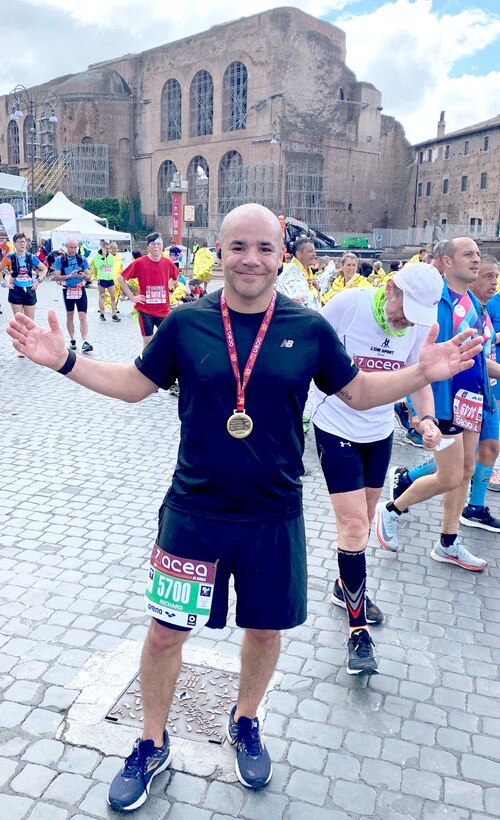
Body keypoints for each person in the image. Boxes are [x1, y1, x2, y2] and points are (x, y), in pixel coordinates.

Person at [6, 204, 481, 813]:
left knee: (264, 630)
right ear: (221, 253)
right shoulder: (187, 323)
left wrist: (422, 371)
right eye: (237, 247)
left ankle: (246, 720)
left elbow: (359, 392)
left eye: (263, 247)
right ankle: (151, 741)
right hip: (194, 512)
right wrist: (65, 360)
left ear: (281, 254)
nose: (250, 259)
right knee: (163, 634)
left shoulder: (308, 329)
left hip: (273, 514)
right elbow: (133, 384)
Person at [313, 262, 444, 675]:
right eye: (405, 309)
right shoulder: (347, 305)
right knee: (353, 528)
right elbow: (305, 348)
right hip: (334, 427)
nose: (407, 321)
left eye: (417, 317)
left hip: (379, 432)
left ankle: (345, 587)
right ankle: (357, 633)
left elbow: (418, 377)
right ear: (390, 287)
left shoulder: (420, 326)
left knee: (365, 522)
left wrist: (426, 420)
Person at [375, 237, 492, 570]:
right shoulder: (430, 301)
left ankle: (448, 542)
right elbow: (416, 359)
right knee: (450, 476)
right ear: (447, 261)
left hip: (471, 398)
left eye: (478, 255)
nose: (476, 259)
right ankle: (392, 509)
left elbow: (478, 353)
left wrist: (487, 394)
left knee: (466, 471)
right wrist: (416, 410)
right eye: (468, 254)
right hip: (442, 401)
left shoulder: (473, 302)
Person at [118, 233, 179, 349]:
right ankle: (146, 366)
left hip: (163, 310)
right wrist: (132, 297)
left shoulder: (168, 263)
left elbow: (176, 278)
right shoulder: (139, 262)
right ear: (148, 247)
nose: (156, 246)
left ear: (162, 246)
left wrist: (166, 286)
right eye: (153, 243)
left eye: (158, 243)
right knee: (148, 342)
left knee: (167, 341)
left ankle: (163, 366)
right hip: (146, 310)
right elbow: (121, 278)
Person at [0, 233, 47, 339]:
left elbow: (44, 269)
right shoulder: (9, 257)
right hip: (15, 289)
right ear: (14, 244)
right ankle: (20, 344)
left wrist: (38, 281)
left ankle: (29, 342)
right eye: (19, 242)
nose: (22, 244)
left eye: (23, 241)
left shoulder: (31, 257)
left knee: (30, 321)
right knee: (19, 320)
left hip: (29, 289)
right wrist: (4, 283)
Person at [53, 237, 93, 353]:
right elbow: (56, 276)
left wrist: (83, 276)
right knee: (70, 316)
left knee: (82, 316)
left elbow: (89, 276)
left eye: (75, 247)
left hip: (80, 289)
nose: (73, 249)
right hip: (68, 290)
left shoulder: (82, 259)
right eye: (71, 247)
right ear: (66, 246)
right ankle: (72, 339)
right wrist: (69, 276)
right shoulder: (60, 260)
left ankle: (85, 341)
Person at [275, 237, 321, 309]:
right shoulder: (290, 275)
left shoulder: (309, 274)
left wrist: (317, 290)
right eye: (310, 251)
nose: (314, 254)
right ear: (299, 254)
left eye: (314, 251)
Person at [93, 240, 120, 322]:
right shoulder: (97, 256)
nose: (108, 250)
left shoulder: (111, 257)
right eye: (106, 248)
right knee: (102, 296)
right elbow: (98, 266)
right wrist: (103, 258)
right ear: (102, 248)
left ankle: (114, 314)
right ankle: (101, 313)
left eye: (109, 248)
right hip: (102, 278)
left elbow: (111, 266)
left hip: (110, 278)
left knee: (113, 296)